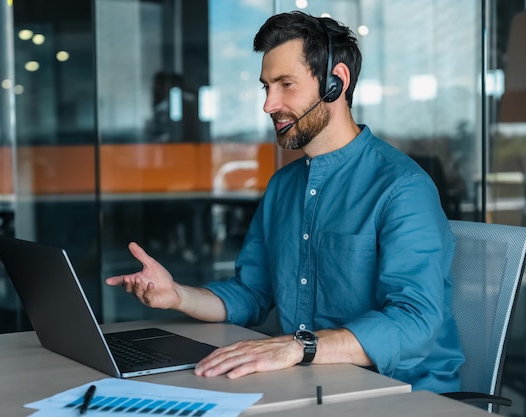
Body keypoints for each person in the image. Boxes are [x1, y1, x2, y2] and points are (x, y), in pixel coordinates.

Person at [106, 11, 464, 393]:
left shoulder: (403, 187)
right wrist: (178, 295)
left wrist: (299, 347)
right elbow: (253, 293)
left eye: (285, 84)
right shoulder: (283, 185)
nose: (269, 104)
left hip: (401, 393)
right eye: (266, 87)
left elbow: (416, 323)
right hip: (312, 385)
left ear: (335, 83)